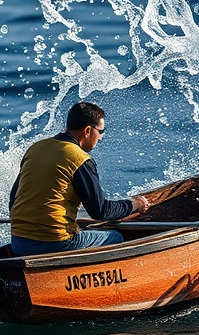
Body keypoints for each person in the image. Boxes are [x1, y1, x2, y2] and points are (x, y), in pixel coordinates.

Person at [8, 101, 149, 256]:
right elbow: (100, 211)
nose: (101, 137)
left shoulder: (36, 148)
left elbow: (13, 200)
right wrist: (135, 204)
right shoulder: (79, 159)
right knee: (116, 237)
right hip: (56, 243)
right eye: (101, 131)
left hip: (18, 242)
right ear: (88, 130)